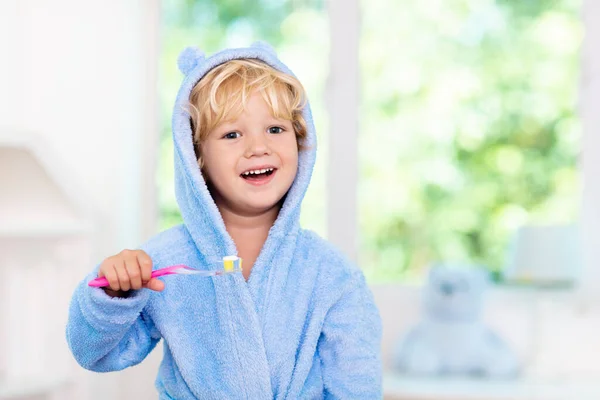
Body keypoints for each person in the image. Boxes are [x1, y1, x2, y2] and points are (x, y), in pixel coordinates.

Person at [66, 41, 382, 399]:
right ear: (195, 157)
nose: (258, 147)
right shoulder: (160, 264)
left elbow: (357, 385)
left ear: (301, 140)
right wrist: (112, 293)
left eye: (275, 129)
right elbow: (95, 353)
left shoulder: (331, 276)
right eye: (232, 134)